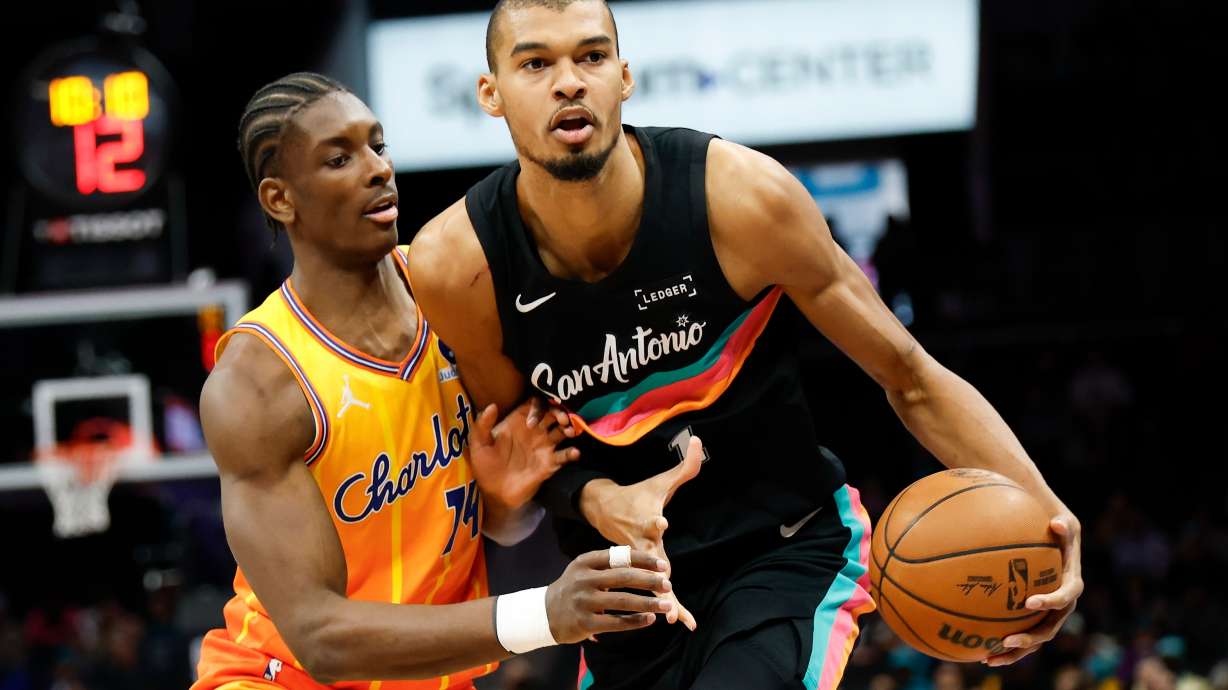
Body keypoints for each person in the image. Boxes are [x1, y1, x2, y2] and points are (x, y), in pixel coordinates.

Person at [406, 2, 1085, 689]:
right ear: (490, 93)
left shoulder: (740, 198)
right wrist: (596, 498)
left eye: (591, 57)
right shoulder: (456, 266)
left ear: (625, 78)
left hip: (782, 547)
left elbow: (908, 375)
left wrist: (1050, 515)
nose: (569, 82)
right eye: (535, 63)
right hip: (627, 590)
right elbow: (527, 455)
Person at [191, 72, 673, 690]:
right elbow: (322, 638)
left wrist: (502, 503)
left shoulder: (451, 288)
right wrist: (545, 613)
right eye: (340, 158)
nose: (377, 170)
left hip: (434, 677)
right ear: (281, 199)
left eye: (378, 146)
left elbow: (487, 524)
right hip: (280, 678)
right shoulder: (258, 384)